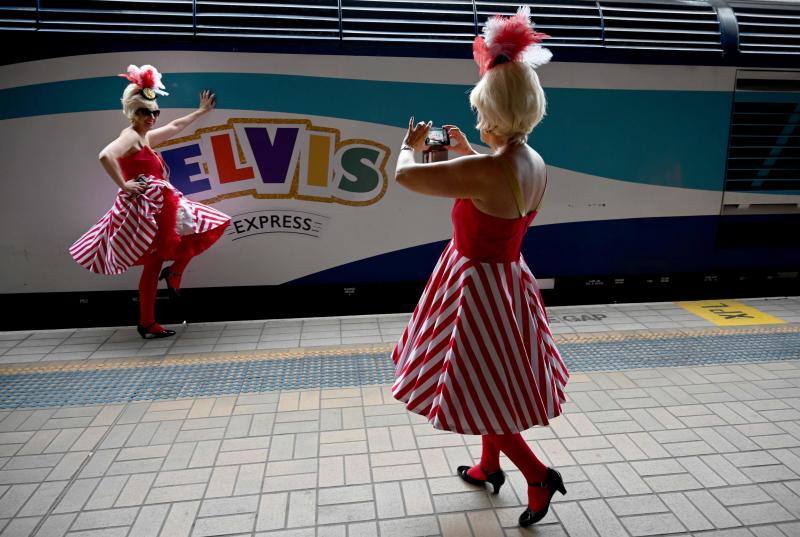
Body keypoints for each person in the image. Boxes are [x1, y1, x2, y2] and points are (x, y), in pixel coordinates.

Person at [391, 7, 569, 527]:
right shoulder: (531, 160)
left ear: (490, 111)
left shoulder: (487, 168)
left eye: (480, 113)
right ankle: (489, 466)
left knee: (478, 382)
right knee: (486, 382)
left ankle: (537, 475)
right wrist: (471, 152)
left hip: (474, 290)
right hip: (507, 281)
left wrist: (410, 146)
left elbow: (407, 177)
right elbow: (501, 194)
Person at [70, 65, 230, 339]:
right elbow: (105, 155)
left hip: (160, 205)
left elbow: (174, 126)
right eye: (145, 112)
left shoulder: (144, 138)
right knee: (158, 259)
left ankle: (164, 292)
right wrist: (124, 185)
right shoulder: (130, 136)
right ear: (134, 112)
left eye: (154, 112)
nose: (152, 117)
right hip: (145, 209)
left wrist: (201, 112)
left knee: (203, 228)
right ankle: (148, 319)